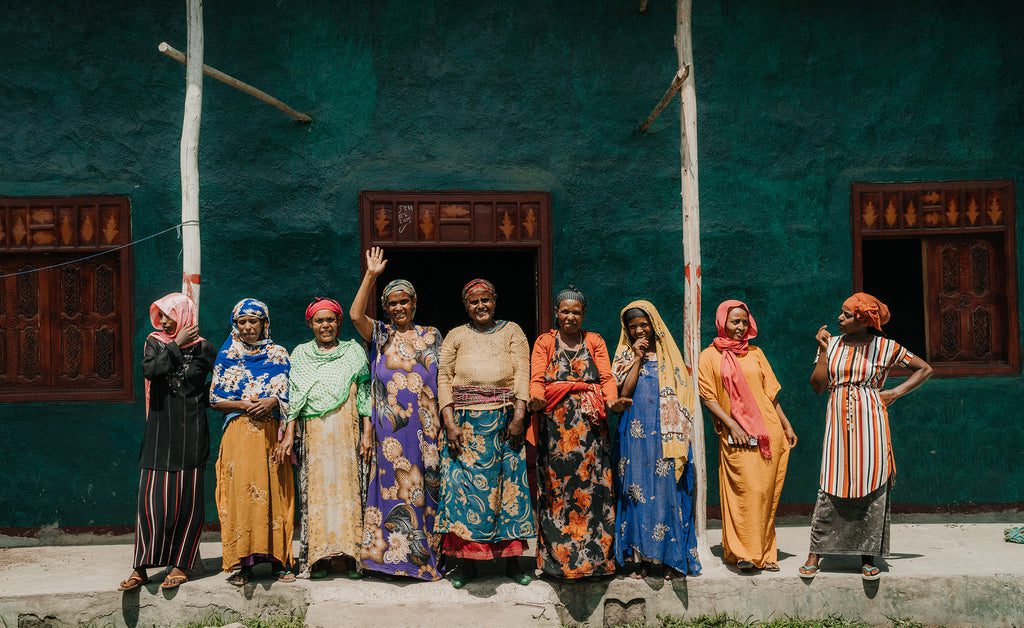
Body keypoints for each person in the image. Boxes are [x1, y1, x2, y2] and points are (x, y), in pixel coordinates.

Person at [799, 293, 932, 581]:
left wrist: (896, 392)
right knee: (832, 481)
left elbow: (924, 368)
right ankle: (816, 552)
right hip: (836, 424)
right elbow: (817, 386)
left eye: (846, 315)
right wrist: (822, 351)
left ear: (863, 320)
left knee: (870, 482)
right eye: (841, 313)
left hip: (870, 423)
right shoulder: (831, 343)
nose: (839, 318)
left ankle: (867, 555)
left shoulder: (885, 348)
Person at [350, 247, 444, 581]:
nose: (399, 307)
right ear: (386, 308)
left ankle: (423, 560)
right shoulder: (380, 334)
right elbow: (355, 315)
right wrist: (371, 276)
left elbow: (443, 379)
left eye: (405, 301)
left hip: (427, 432)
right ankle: (388, 559)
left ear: (414, 303)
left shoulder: (432, 335)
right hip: (390, 435)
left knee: (425, 492)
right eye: (393, 303)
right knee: (391, 491)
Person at [435, 278, 535, 588]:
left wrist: (519, 414)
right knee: (464, 493)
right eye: (474, 302)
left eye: (486, 300)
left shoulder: (512, 332)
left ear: (495, 301)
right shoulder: (455, 336)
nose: (481, 306)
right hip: (464, 427)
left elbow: (522, 372)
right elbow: (443, 379)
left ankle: (511, 563)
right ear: (466, 306)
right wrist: (449, 423)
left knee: (508, 492)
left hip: (505, 425)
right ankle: (466, 565)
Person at [529, 286, 628, 579]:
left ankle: (595, 562)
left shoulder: (594, 340)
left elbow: (606, 377)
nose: (570, 316)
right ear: (557, 313)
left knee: (592, 489)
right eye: (565, 311)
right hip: (555, 428)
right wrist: (535, 398)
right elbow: (537, 379)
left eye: (576, 311)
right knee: (557, 491)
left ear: (583, 314)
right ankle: (556, 563)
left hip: (591, 429)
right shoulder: (545, 342)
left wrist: (612, 400)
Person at [119, 293, 214, 591]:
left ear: (183, 314)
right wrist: (175, 343)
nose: (164, 320)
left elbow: (222, 379)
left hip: (192, 433)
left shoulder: (204, 348)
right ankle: (141, 567)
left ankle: (180, 564)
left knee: (188, 503)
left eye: (170, 315)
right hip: (160, 434)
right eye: (160, 315)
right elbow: (151, 370)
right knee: (151, 503)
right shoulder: (155, 342)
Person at [697, 300, 798, 572]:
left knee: (765, 492)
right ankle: (742, 552)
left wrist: (786, 425)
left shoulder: (756, 353)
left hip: (768, 432)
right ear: (722, 323)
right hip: (737, 434)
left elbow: (771, 394)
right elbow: (708, 397)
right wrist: (732, 425)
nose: (740, 327)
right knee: (745, 490)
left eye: (744, 321)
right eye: (735, 322)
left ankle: (763, 554)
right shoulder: (709, 356)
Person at [277, 297, 371, 580]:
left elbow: (365, 394)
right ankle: (318, 558)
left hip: (347, 430)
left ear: (339, 322)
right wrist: (289, 435)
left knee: (348, 493)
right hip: (315, 435)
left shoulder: (353, 352)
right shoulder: (301, 354)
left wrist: (367, 433)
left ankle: (350, 557)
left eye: (331, 320)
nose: (325, 325)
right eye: (319, 321)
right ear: (310, 324)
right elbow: (294, 399)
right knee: (317, 494)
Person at [611, 300, 701, 579]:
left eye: (644, 324)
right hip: (635, 434)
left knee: (666, 491)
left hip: (666, 435)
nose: (639, 330)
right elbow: (624, 393)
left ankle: (666, 559)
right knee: (635, 490)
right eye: (633, 326)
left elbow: (684, 395)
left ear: (654, 325)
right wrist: (636, 359)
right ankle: (638, 557)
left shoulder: (669, 357)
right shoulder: (624, 356)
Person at [211, 298, 295, 586]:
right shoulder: (227, 355)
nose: (248, 327)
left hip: (271, 434)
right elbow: (214, 399)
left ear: (264, 323)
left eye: (253, 321)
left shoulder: (279, 354)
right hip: (238, 434)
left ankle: (278, 562)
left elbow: (290, 395)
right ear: (235, 324)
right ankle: (242, 564)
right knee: (242, 496)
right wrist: (245, 405)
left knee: (274, 493)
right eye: (242, 321)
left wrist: (273, 400)